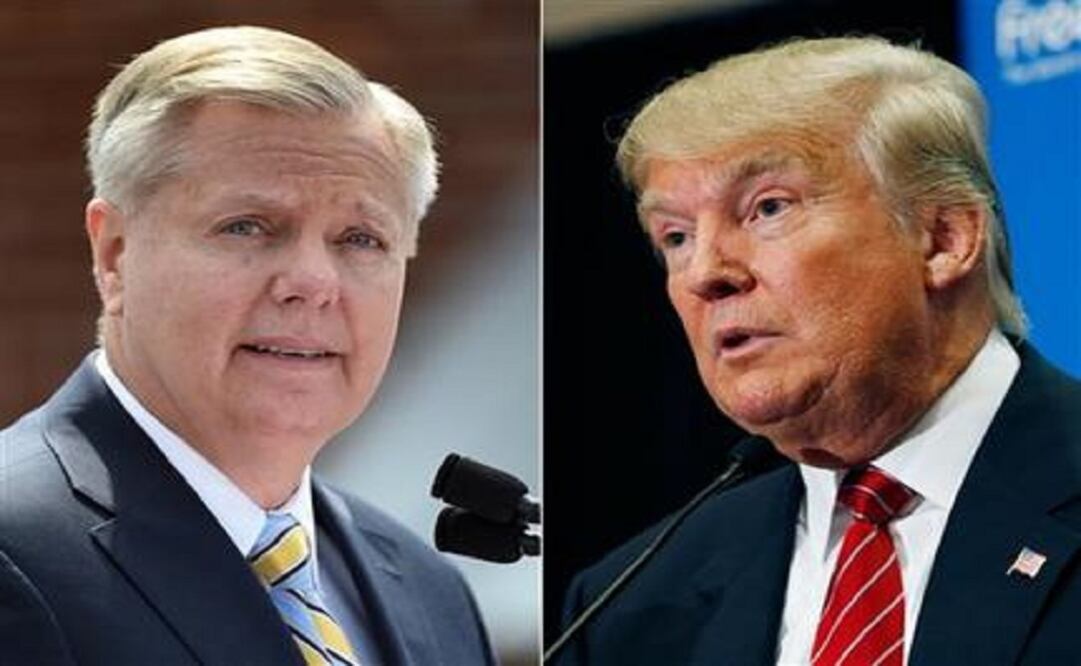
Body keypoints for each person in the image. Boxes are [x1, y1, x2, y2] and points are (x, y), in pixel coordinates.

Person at [558, 37, 1081, 665]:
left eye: (767, 208)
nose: (704, 273)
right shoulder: (627, 607)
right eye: (675, 236)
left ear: (944, 238)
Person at [0, 26, 495, 666]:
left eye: (360, 239)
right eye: (247, 227)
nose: (313, 284)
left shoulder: (434, 594)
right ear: (114, 254)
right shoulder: (13, 549)